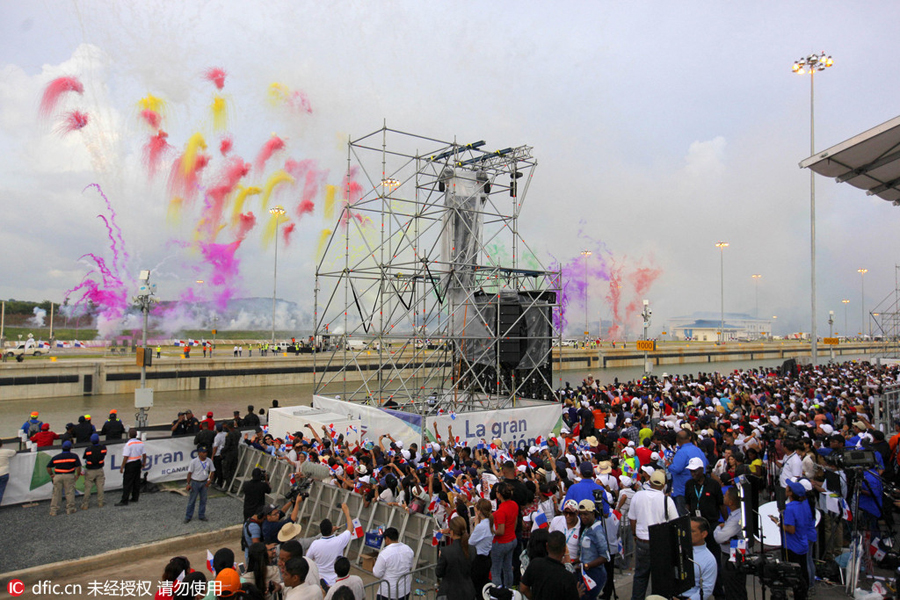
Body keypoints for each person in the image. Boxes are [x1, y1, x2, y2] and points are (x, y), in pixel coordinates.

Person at [629, 469, 677, 600]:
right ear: (663, 485)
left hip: (642, 542)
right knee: (659, 578)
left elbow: (632, 519)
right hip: (660, 544)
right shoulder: (667, 501)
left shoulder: (638, 496)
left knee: (640, 576)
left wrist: (635, 534)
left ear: (649, 482)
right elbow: (675, 523)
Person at [772, 479, 810, 600]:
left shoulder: (789, 508)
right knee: (803, 571)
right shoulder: (805, 505)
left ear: (790, 493)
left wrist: (778, 523)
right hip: (803, 543)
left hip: (792, 546)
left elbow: (791, 529)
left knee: (793, 575)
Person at [520, 530, 581, 600]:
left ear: (547, 546)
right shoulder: (568, 576)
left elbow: (523, 588)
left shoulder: (535, 564)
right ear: (564, 550)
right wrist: (577, 595)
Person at [306, 503, 353, 588]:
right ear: (332, 529)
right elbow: (350, 528)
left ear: (320, 530)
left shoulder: (315, 544)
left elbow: (308, 559)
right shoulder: (339, 541)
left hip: (320, 582)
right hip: (336, 582)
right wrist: (346, 512)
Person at [713, 487, 747, 600]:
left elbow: (720, 537)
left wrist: (717, 528)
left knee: (734, 589)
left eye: (726, 495)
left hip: (733, 558)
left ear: (731, 502)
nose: (724, 497)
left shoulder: (736, 519)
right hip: (732, 555)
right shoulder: (734, 515)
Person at [435, 516, 476, 600]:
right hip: (468, 591)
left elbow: (439, 573)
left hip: (451, 592)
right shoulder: (472, 549)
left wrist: (441, 559)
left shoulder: (446, 551)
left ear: (452, 532)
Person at [669, 430, 707, 515]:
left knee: (683, 518)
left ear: (677, 440)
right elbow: (705, 464)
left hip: (682, 490)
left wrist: (669, 465)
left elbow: (676, 469)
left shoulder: (682, 452)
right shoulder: (698, 450)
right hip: (697, 489)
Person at [577, 499, 609, 600]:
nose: (583, 517)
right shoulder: (587, 528)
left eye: (585, 514)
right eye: (581, 514)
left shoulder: (597, 531)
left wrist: (587, 565)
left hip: (595, 574)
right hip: (585, 573)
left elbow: (605, 556)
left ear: (593, 513)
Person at [490, 481, 519, 589]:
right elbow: (515, 523)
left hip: (501, 542)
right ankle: (508, 589)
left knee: (496, 571)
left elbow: (500, 531)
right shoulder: (514, 505)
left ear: (499, 494)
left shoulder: (500, 511)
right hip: (512, 539)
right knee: (507, 567)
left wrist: (492, 530)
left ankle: (498, 593)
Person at [374, 526, 415, 600]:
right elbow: (410, 566)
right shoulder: (408, 550)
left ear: (387, 539)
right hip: (404, 590)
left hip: (388, 592)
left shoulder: (384, 554)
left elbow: (377, 573)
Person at [682, 517, 717, 600]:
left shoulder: (709, 560)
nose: (687, 533)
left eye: (692, 531)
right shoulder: (678, 549)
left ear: (703, 534)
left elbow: (706, 589)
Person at [47, 440, 82, 516]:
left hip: (58, 476)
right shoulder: (74, 456)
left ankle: (53, 510)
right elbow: (78, 467)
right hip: (69, 476)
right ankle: (70, 509)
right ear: (70, 448)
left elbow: (48, 467)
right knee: (69, 492)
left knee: (56, 493)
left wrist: (52, 475)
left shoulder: (56, 457)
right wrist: (77, 475)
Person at [468, 498, 494, 594]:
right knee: (482, 586)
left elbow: (471, 542)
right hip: (486, 557)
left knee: (477, 588)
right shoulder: (490, 523)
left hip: (479, 559)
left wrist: (476, 523)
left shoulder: (481, 526)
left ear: (479, 511)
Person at [184, 445, 215, 523]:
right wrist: (188, 483)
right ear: (199, 453)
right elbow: (189, 473)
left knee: (203, 500)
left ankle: (201, 515)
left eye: (206, 452)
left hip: (204, 483)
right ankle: (188, 516)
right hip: (195, 482)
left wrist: (209, 480)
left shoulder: (209, 461)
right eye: (203, 452)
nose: (205, 454)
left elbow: (212, 471)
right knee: (192, 500)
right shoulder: (194, 462)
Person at [117, 428, 146, 506]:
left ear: (129, 435)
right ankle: (135, 497)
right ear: (136, 435)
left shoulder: (128, 444)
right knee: (136, 481)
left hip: (130, 464)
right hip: (138, 462)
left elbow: (126, 457)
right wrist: (144, 462)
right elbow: (144, 454)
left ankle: (124, 500)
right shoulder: (140, 443)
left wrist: (122, 466)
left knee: (127, 482)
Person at [549, 499, 582, 566]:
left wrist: (572, 561)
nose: (568, 516)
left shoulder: (581, 527)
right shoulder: (556, 520)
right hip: (556, 562)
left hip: (573, 564)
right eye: (565, 513)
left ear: (577, 513)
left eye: (571, 513)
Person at [82, 433, 107, 510]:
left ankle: (85, 504)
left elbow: (85, 457)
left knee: (88, 488)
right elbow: (104, 453)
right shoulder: (103, 448)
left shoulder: (88, 449)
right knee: (100, 487)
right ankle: (100, 502)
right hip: (99, 469)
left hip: (90, 471)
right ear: (98, 440)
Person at [0, 439, 15, 505]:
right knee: (1, 490)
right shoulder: (5, 451)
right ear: (2, 445)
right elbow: (14, 452)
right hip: (4, 473)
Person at [212, 423, 227, 488]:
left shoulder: (217, 437)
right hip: (224, 453)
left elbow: (215, 447)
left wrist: (212, 455)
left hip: (217, 454)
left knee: (218, 469)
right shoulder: (225, 434)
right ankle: (219, 481)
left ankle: (219, 482)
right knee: (221, 468)